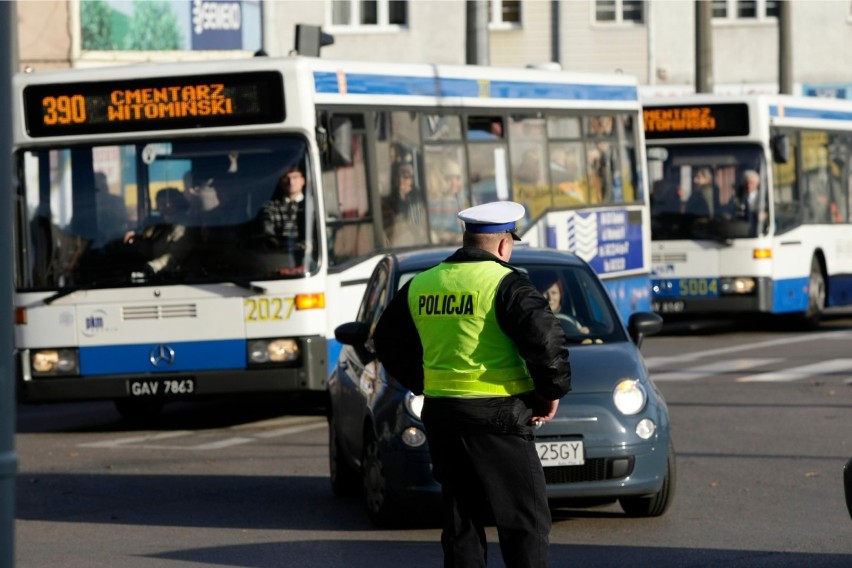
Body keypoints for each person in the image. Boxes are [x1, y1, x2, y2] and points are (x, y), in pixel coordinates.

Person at [373, 201, 572, 568]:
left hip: (443, 416)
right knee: (524, 521)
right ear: (502, 245)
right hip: (499, 418)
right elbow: (547, 343)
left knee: (461, 520)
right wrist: (548, 394)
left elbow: (385, 340)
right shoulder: (507, 283)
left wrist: (423, 381)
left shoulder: (423, 283)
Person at [124, 187, 193, 276]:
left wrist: (152, 267)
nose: (162, 207)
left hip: (174, 275)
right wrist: (136, 237)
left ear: (177, 204)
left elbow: (175, 255)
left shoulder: (185, 226)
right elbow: (147, 241)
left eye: (166, 203)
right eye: (159, 203)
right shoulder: (158, 223)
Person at [258, 164, 309, 265]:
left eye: (295, 177)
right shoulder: (270, 207)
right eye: (286, 178)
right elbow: (268, 233)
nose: (291, 182)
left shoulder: (312, 205)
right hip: (278, 260)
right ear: (281, 182)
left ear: (303, 180)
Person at [383, 159, 427, 246]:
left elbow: (416, 222)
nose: (401, 180)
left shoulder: (416, 197)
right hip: (395, 237)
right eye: (399, 177)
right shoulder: (391, 197)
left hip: (411, 238)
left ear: (411, 180)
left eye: (405, 177)